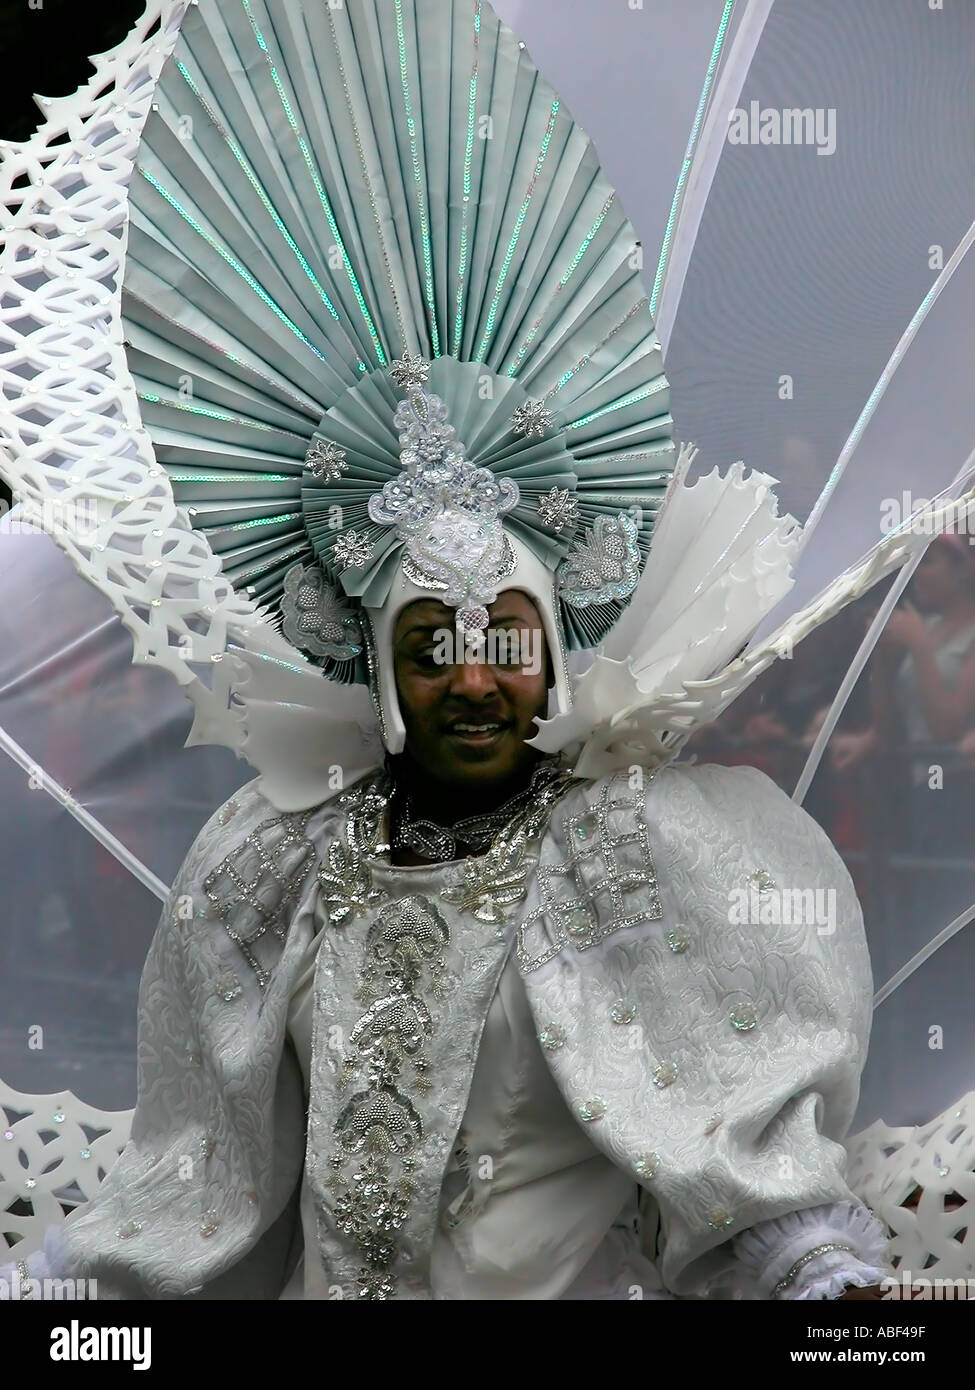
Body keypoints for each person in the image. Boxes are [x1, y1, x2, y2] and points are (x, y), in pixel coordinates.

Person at [0, 0, 896, 1300]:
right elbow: (198, 1188)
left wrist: (832, 1298)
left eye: (506, 638)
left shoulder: (644, 853)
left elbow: (753, 1199)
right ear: (380, 672)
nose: (475, 676)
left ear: (556, 654)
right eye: (433, 644)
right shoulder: (274, 858)